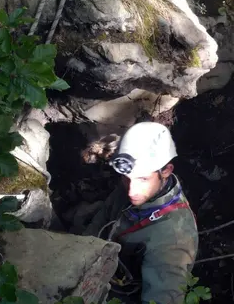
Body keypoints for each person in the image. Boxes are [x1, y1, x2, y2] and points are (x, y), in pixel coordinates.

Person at [76, 122, 198, 304]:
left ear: (166, 171)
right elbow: (103, 217)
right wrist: (81, 255)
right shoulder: (136, 185)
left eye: (142, 179)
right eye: (126, 178)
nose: (132, 190)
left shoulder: (172, 242)